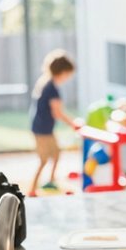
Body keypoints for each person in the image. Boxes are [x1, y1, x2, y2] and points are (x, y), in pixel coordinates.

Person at [29, 50, 79, 197]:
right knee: (44, 159)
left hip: (43, 128)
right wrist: (73, 123)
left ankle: (51, 180)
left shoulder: (45, 82)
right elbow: (57, 112)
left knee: (56, 153)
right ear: (63, 72)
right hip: (42, 130)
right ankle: (33, 188)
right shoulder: (51, 89)